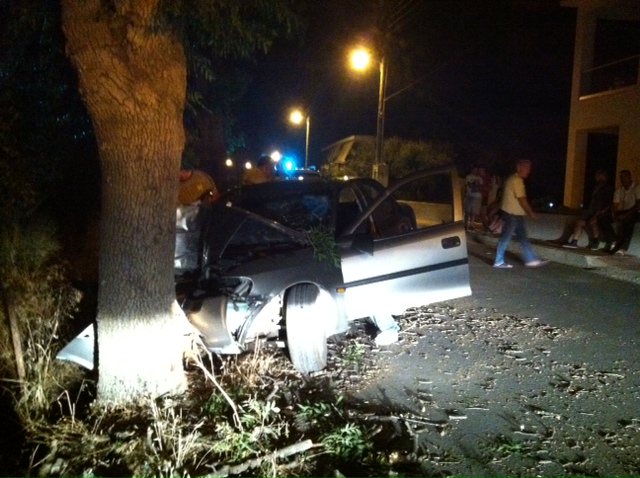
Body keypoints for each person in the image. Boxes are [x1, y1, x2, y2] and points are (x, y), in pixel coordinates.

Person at [493, 159, 548, 268]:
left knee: (523, 238)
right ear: (519, 168)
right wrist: (531, 213)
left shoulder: (512, 179)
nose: (528, 171)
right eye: (526, 168)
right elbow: (522, 199)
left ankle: (531, 260)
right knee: (506, 237)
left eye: (529, 168)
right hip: (512, 214)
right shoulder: (517, 180)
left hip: (515, 214)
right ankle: (498, 261)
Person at [562, 169, 614, 250]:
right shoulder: (596, 188)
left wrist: (599, 213)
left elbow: (609, 203)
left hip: (601, 212)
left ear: (606, 177)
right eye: (598, 176)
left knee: (593, 222)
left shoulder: (608, 188)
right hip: (592, 211)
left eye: (602, 177)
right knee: (580, 222)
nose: (600, 178)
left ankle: (595, 243)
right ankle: (574, 242)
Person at [609, 170, 640, 256]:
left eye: (625, 176)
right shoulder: (619, 190)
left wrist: (625, 215)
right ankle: (613, 241)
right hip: (625, 211)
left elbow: (638, 205)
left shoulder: (637, 187)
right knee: (604, 219)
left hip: (637, 212)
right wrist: (614, 215)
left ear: (630, 177)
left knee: (628, 221)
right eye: (621, 177)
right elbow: (615, 205)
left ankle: (623, 248)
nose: (623, 179)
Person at [464, 166, 484, 231]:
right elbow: (469, 185)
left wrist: (475, 186)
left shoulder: (480, 178)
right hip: (470, 196)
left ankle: (471, 225)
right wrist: (477, 186)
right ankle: (465, 225)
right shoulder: (468, 177)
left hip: (477, 197)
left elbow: (481, 188)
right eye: (474, 169)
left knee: (473, 212)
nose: (475, 171)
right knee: (467, 211)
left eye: (476, 169)